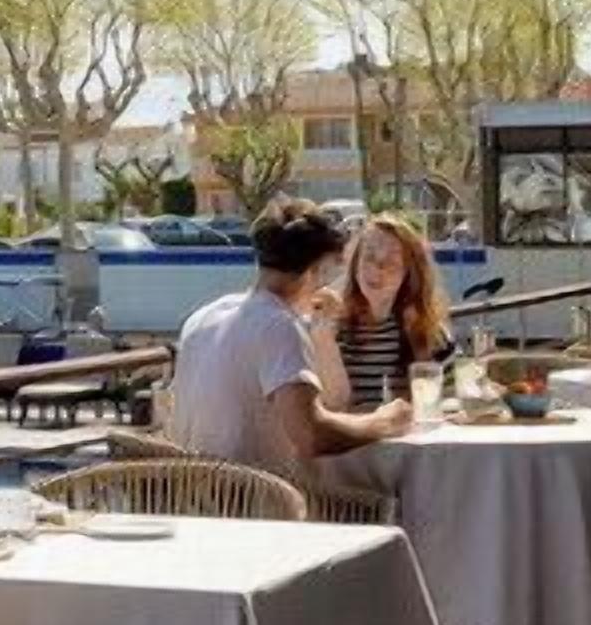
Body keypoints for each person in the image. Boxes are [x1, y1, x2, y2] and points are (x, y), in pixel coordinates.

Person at [170, 198, 410, 494]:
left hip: (194, 504)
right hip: (257, 511)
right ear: (317, 270)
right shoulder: (279, 326)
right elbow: (311, 435)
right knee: (394, 503)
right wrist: (384, 422)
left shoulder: (203, 318)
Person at [315, 213, 453, 410]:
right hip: (348, 440)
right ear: (355, 264)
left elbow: (447, 404)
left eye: (392, 261)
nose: (377, 268)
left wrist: (419, 344)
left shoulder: (432, 334)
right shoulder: (330, 327)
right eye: (369, 257)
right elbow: (329, 407)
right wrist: (323, 338)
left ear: (409, 274)